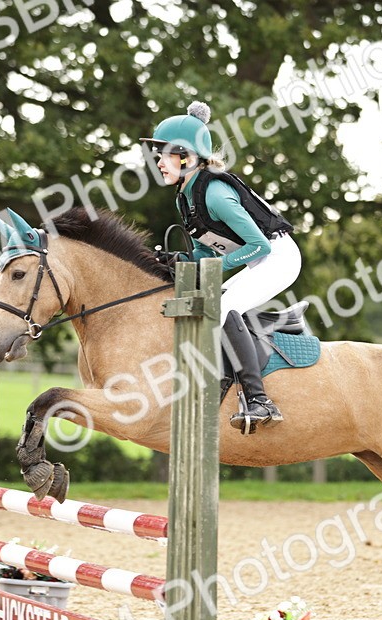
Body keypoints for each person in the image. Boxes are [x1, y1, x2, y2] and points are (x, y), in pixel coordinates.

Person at [141, 100, 300, 432]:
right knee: (215, 306)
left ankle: (259, 401)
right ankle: (282, 321)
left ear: (186, 156)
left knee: (224, 306)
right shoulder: (185, 196)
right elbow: (205, 252)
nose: (158, 162)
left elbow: (260, 245)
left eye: (164, 155)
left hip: (279, 256)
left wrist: (213, 268)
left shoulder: (214, 193)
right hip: (259, 260)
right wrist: (179, 262)